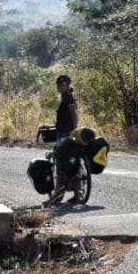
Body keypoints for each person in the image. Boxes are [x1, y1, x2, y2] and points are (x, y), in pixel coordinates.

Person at [49, 75, 82, 205]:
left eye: (59, 84)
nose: (58, 87)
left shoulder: (68, 98)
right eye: (57, 84)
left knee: (60, 163)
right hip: (63, 132)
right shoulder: (66, 97)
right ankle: (76, 193)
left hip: (65, 134)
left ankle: (58, 196)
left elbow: (74, 114)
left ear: (65, 85)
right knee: (71, 163)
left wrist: (74, 130)